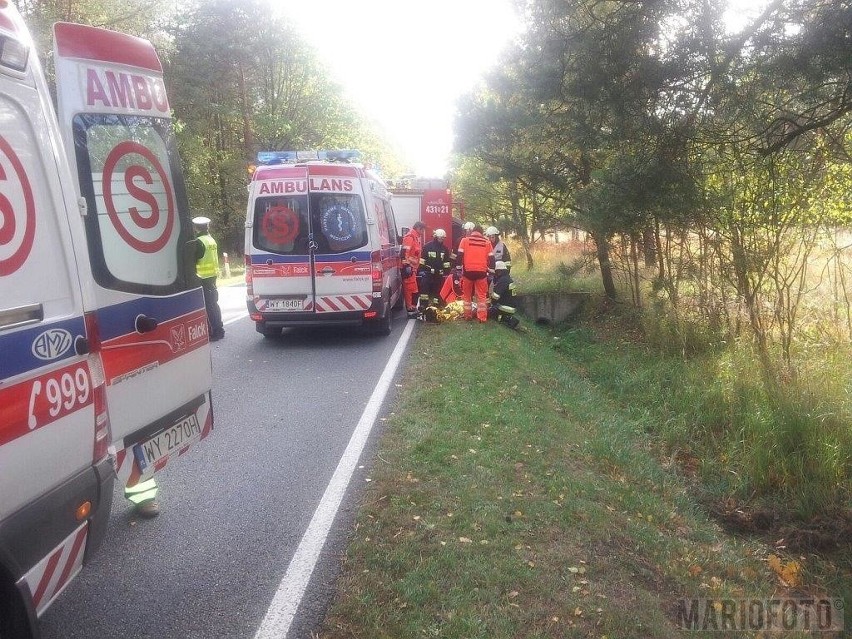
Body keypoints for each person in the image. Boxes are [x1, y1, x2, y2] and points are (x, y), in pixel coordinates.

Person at [193, 216, 225, 341]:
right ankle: (219, 328)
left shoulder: (199, 242)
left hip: (203, 278)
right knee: (214, 304)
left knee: (208, 306)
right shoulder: (211, 239)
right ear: (208, 226)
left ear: (196, 228)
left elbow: (193, 260)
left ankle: (215, 332)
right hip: (212, 276)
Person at [455, 224, 495, 322]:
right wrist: (491, 270)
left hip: (468, 272)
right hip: (481, 272)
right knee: (481, 296)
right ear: (482, 233)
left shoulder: (465, 240)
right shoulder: (487, 242)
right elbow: (492, 258)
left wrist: (459, 269)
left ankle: (467, 315)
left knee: (467, 295)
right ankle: (482, 317)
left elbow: (459, 256)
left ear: (473, 231)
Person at [419, 228, 452, 308]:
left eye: (443, 238)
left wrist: (446, 271)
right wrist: (427, 269)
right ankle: (424, 306)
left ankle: (436, 306)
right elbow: (422, 262)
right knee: (424, 291)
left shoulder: (445, 249)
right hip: (428, 273)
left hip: (439, 274)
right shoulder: (427, 247)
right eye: (440, 238)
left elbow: (446, 262)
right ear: (436, 237)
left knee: (438, 291)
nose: (441, 239)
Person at [400, 221, 425, 317]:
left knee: (414, 290)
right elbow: (404, 253)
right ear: (418, 228)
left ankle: (413, 308)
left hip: (412, 268)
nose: (422, 233)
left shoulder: (415, 238)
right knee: (410, 290)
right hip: (408, 269)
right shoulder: (410, 237)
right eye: (422, 230)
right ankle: (410, 310)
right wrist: (406, 266)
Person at [488, 261, 520, 329]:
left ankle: (506, 318)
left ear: (499, 271)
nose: (495, 275)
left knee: (486, 313)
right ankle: (506, 318)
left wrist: (490, 303)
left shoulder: (503, 280)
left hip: (504, 308)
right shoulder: (508, 279)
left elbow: (495, 296)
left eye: (496, 272)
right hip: (511, 307)